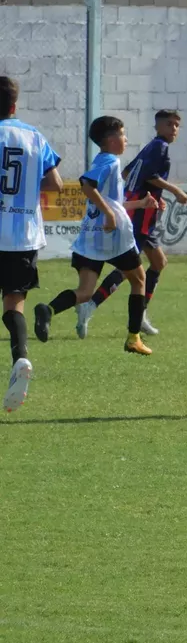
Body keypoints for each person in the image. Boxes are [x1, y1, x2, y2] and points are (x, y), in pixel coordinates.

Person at [34, 116, 155, 355]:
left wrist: (141, 203)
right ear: (111, 140)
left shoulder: (103, 160)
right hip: (113, 236)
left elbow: (114, 203)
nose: (126, 139)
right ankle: (133, 338)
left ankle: (49, 309)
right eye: (122, 134)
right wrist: (110, 215)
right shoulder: (110, 161)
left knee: (85, 292)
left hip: (90, 237)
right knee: (139, 279)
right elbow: (86, 185)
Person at [76, 109, 187, 338]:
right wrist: (174, 191)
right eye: (169, 125)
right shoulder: (159, 147)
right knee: (132, 267)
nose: (174, 129)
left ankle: (140, 313)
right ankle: (92, 305)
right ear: (158, 126)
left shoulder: (152, 147)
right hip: (139, 218)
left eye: (177, 125)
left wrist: (152, 199)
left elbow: (130, 172)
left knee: (157, 262)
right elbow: (148, 176)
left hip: (144, 213)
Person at [0, 76, 63, 413]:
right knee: (14, 304)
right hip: (22, 234)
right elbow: (54, 183)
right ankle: (20, 357)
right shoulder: (34, 136)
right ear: (14, 105)